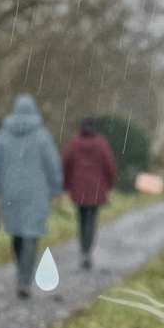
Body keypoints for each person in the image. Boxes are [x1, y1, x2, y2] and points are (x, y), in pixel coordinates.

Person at [0, 95, 63, 298]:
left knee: (16, 233)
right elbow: (53, 165)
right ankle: (24, 279)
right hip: (36, 194)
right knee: (30, 235)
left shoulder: (2, 136)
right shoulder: (43, 136)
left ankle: (21, 271)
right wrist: (56, 189)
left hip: (10, 193)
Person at [61, 115, 118, 270]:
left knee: (81, 219)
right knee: (91, 221)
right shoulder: (101, 144)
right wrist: (109, 184)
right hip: (96, 189)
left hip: (78, 188)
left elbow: (65, 164)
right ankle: (87, 251)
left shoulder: (73, 143)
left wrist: (65, 185)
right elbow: (110, 166)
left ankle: (83, 250)